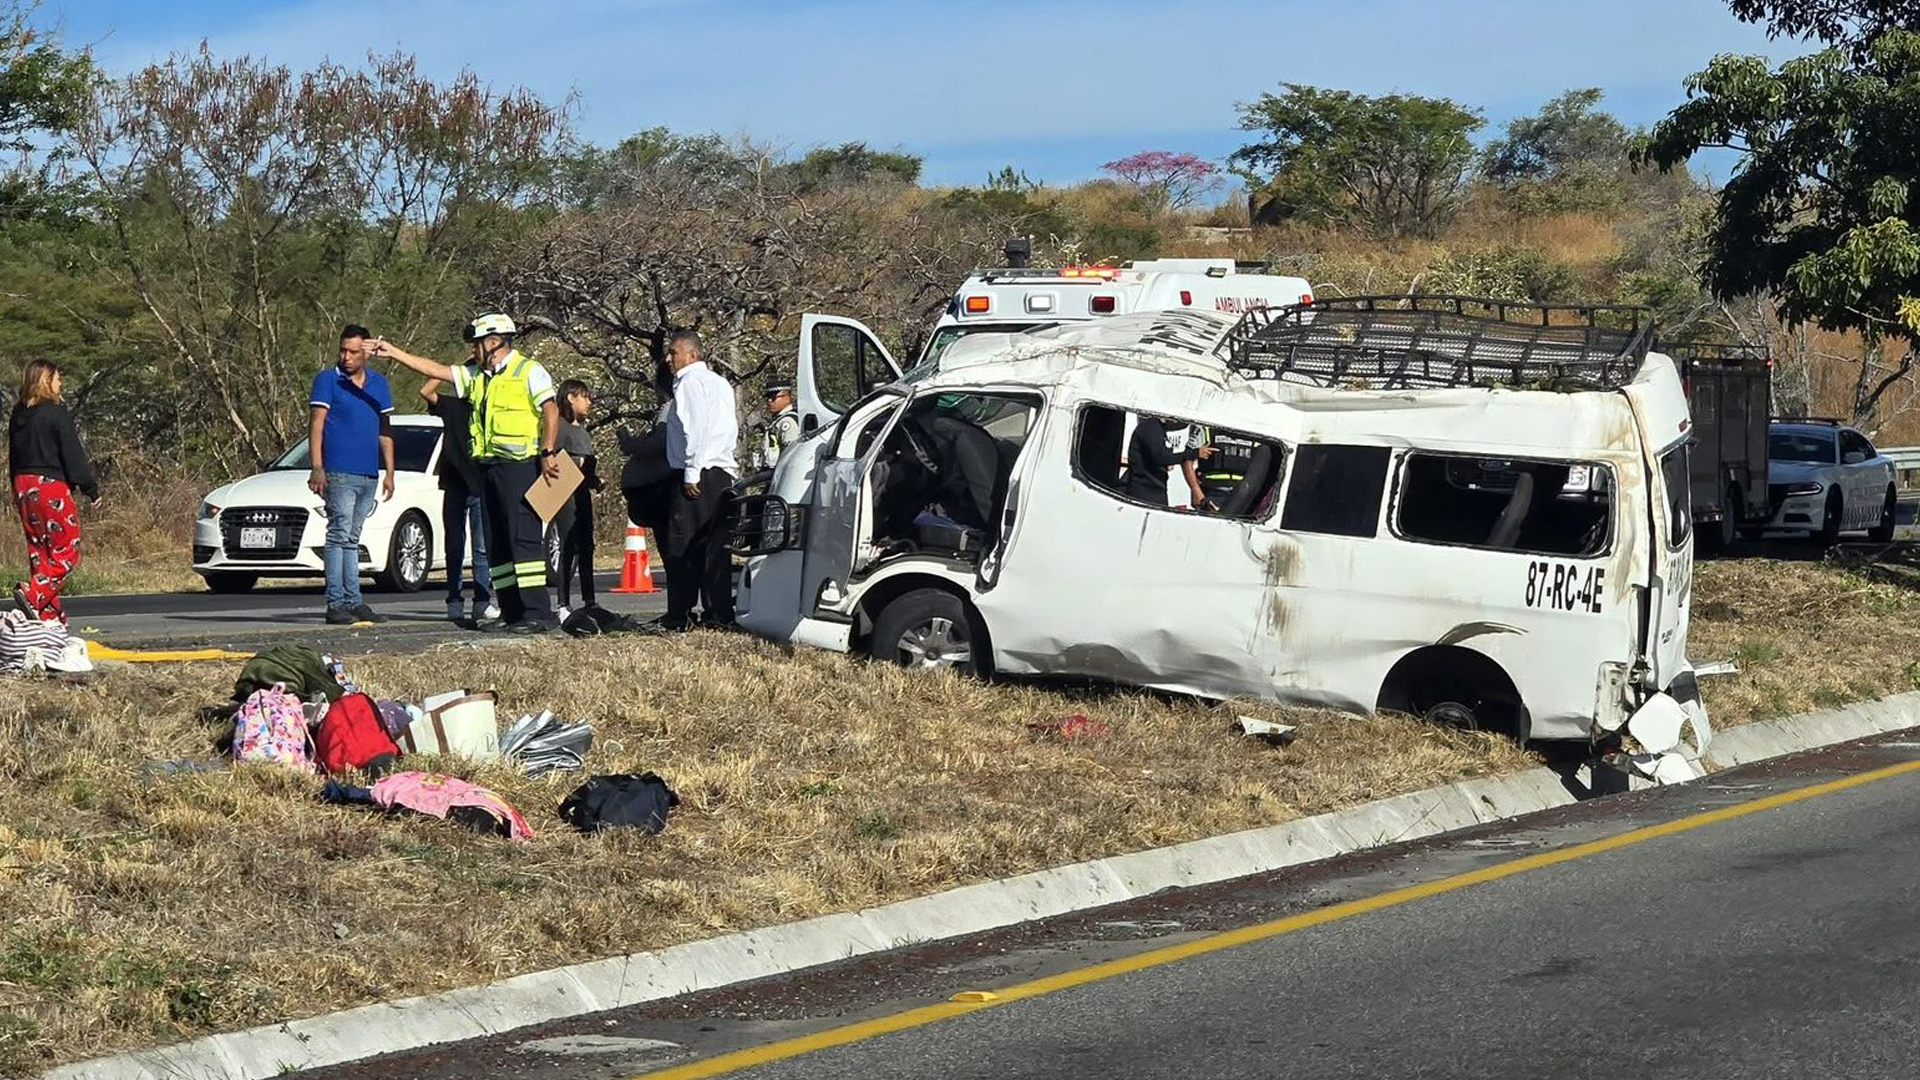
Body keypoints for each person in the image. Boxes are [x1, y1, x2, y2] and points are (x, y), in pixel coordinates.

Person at [373, 314, 563, 634]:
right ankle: (512, 610)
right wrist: (395, 353)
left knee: (523, 541)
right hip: (487, 467)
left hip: (519, 465)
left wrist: (547, 451)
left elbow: (551, 409)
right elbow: (435, 371)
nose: (473, 351)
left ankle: (537, 612)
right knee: (497, 542)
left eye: (476, 344)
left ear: (494, 343)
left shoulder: (528, 370)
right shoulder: (478, 376)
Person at [309, 325, 396, 626]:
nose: (346, 357)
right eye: (343, 350)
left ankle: (354, 600)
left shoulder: (378, 384)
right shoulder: (328, 380)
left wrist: (390, 471)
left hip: (368, 473)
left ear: (366, 353)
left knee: (352, 539)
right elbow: (317, 425)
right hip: (339, 472)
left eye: (354, 352)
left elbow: (385, 430)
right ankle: (336, 602)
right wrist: (317, 466)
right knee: (339, 534)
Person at [7, 359, 101, 623]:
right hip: (50, 486)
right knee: (66, 550)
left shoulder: (18, 416)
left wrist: (16, 490)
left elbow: (14, 456)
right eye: (58, 378)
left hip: (23, 486)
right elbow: (72, 453)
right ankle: (33, 594)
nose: (61, 384)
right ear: (46, 380)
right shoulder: (55, 413)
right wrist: (89, 487)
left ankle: (48, 621)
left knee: (41, 553)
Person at [660, 330, 739, 632]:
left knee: (683, 545)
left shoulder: (690, 383)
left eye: (673, 352)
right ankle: (717, 610)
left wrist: (691, 472)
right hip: (720, 472)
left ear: (691, 354)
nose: (669, 359)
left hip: (699, 472)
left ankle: (679, 614)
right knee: (714, 546)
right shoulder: (719, 383)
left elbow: (697, 429)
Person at [420, 371, 496, 625]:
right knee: (454, 545)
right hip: (454, 483)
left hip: (479, 483)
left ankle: (482, 602)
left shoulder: (489, 408)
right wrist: (448, 372)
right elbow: (426, 392)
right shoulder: (453, 406)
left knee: (481, 548)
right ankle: (454, 600)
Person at [551, 379, 602, 620]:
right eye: (585, 397)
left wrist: (594, 479)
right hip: (564, 494)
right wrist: (576, 463)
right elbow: (551, 461)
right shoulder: (559, 428)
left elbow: (586, 468)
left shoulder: (582, 431)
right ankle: (562, 602)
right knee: (568, 546)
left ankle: (589, 600)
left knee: (587, 546)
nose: (589, 402)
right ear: (571, 397)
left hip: (582, 493)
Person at [1122, 413, 1212, 507]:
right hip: (1144, 491)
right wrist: (1194, 453)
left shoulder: (1158, 428)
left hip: (1156, 489)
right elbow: (1161, 457)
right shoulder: (1150, 427)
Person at [754, 384, 801, 470]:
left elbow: (790, 454)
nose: (769, 400)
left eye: (774, 397)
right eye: (768, 397)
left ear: (787, 398)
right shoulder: (778, 421)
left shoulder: (788, 422)